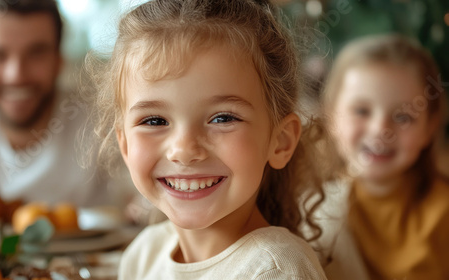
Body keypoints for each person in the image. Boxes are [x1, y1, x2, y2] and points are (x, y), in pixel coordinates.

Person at [86, 0, 330, 279]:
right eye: (154, 121)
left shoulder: (275, 270)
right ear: (125, 144)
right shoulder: (144, 254)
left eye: (223, 118)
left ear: (281, 141)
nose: (184, 150)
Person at [0, 0, 134, 209]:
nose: (16, 75)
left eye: (36, 53)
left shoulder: (104, 124)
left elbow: (143, 205)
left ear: (58, 60)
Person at [319, 34, 449, 279]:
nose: (380, 130)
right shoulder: (312, 209)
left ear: (429, 128)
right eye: (361, 111)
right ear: (331, 117)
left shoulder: (443, 212)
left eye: (403, 117)